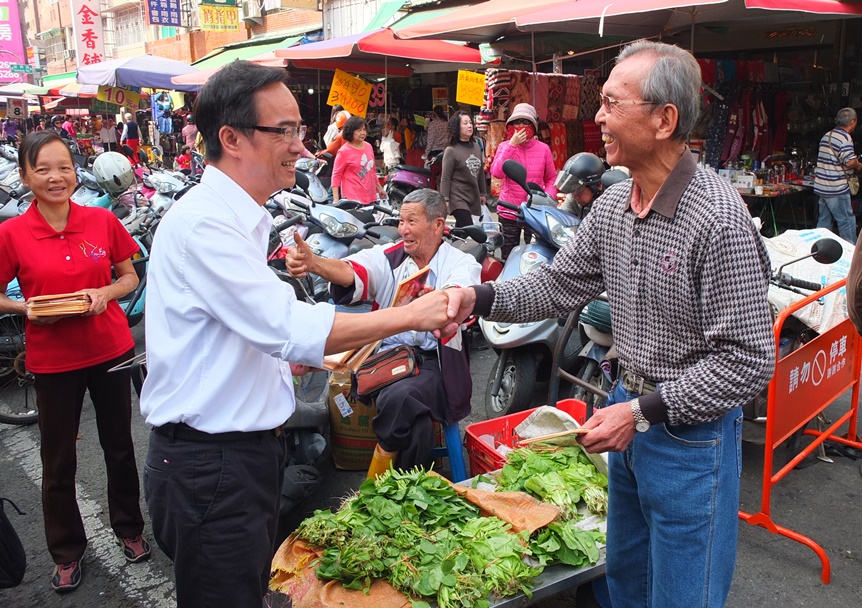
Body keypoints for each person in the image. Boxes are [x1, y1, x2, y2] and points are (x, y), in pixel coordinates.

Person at [444, 41, 775, 608]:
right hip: (626, 408)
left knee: (681, 595)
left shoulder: (718, 218)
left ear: (664, 119)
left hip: (686, 436)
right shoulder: (615, 207)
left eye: (611, 103)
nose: (597, 118)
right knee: (624, 578)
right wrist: (475, 296)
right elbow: (556, 284)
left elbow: (746, 362)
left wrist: (641, 413)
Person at [139, 60, 456, 608]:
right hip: (212, 466)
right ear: (231, 138)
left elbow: (246, 329)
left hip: (240, 457)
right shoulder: (205, 225)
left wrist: (279, 363)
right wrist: (412, 314)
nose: (301, 146)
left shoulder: (239, 218)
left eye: (299, 129)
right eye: (282, 130)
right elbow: (287, 326)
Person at [0, 131, 151, 593]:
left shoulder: (101, 221)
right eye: (43, 169)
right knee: (58, 460)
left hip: (109, 349)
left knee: (120, 447)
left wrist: (105, 292)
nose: (55, 177)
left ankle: (130, 529)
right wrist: (27, 309)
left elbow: (130, 276)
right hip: (52, 360)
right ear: (26, 175)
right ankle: (66, 552)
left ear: (75, 170)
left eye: (63, 167)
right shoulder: (11, 233)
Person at [286, 188, 480, 471]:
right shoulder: (389, 257)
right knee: (416, 422)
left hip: (436, 364)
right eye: (401, 221)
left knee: (399, 398)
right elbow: (352, 271)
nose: (403, 229)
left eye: (412, 221)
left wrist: (439, 301)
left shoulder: (461, 262)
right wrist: (314, 263)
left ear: (438, 225)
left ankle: (379, 482)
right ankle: (408, 487)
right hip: (388, 361)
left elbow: (458, 291)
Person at [490, 103, 557, 261]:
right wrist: (512, 146)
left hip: (534, 211)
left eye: (525, 122)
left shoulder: (543, 149)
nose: (520, 126)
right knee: (508, 256)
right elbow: (496, 172)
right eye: (517, 122)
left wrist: (546, 197)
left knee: (535, 255)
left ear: (533, 126)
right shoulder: (504, 147)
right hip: (509, 210)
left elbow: (551, 178)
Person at [814, 107, 862, 244]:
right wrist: (858, 165)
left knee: (824, 221)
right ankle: (850, 253)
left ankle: (819, 250)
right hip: (835, 187)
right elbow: (849, 161)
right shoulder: (845, 138)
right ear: (852, 122)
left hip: (822, 186)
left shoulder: (827, 135)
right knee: (846, 220)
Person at [439, 111, 486, 227]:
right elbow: (445, 177)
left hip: (472, 194)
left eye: (470, 123)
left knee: (462, 229)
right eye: (465, 123)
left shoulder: (476, 147)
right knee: (468, 225)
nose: (469, 126)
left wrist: (483, 193)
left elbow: (480, 173)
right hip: (457, 197)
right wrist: (445, 199)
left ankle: (453, 244)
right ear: (457, 127)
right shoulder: (451, 150)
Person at [331, 115, 386, 204]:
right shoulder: (344, 151)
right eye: (359, 130)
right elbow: (336, 175)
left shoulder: (369, 147)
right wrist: (336, 199)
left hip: (370, 196)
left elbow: (372, 171)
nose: (363, 133)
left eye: (364, 130)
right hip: (352, 198)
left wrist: (380, 189)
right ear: (351, 132)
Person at [425, 105, 449, 188]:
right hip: (445, 152)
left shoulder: (432, 124)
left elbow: (430, 141)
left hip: (434, 152)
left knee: (432, 175)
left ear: (434, 113)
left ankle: (433, 190)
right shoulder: (446, 124)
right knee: (444, 174)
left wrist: (426, 153)